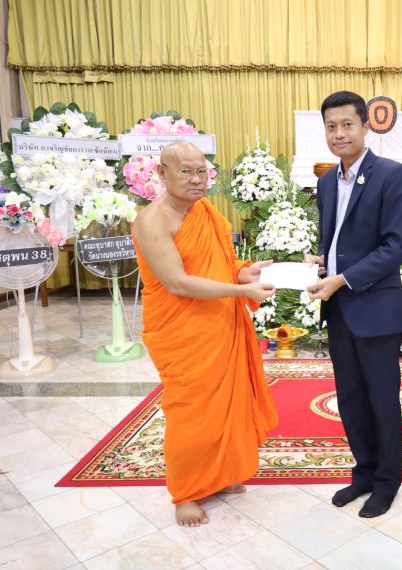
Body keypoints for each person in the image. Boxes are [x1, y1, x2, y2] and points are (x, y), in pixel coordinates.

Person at [132, 141, 279, 527]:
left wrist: (244, 273)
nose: (197, 180)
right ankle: (187, 492)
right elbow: (178, 283)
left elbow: (221, 268)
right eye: (186, 171)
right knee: (190, 410)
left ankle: (221, 473)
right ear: (162, 174)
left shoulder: (206, 213)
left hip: (220, 322)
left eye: (202, 171)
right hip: (183, 330)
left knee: (227, 404)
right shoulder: (152, 220)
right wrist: (241, 291)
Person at [304, 90, 402, 518]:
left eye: (347, 124)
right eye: (331, 126)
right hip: (340, 311)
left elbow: (395, 247)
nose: (339, 133)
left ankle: (388, 481)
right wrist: (321, 260)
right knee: (350, 398)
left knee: (382, 399)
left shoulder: (391, 174)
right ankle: (364, 472)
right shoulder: (328, 180)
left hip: (374, 308)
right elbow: (335, 240)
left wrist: (342, 279)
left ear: (366, 126)